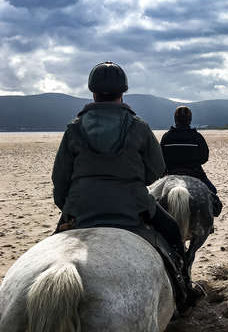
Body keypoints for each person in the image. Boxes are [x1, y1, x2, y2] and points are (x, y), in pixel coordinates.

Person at [51, 61, 202, 310]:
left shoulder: (74, 128)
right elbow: (156, 169)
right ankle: (183, 285)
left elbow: (60, 178)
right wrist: (130, 180)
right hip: (132, 207)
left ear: (92, 91)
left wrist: (67, 207)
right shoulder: (139, 126)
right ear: (123, 92)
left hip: (81, 208)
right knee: (173, 231)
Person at [160, 106, 217, 195]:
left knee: (153, 198)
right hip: (195, 174)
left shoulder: (166, 137)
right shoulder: (197, 137)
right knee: (213, 192)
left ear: (175, 119)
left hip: (171, 174)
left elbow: (160, 158)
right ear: (189, 120)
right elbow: (204, 158)